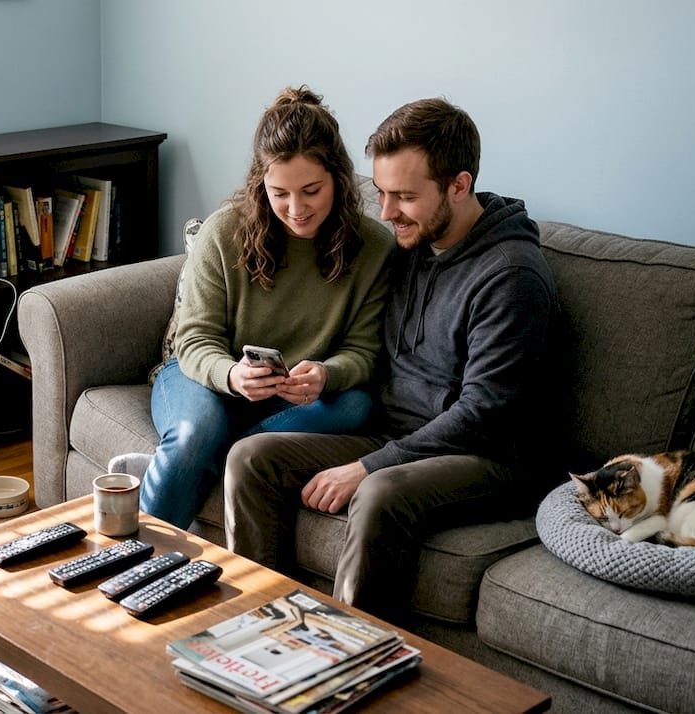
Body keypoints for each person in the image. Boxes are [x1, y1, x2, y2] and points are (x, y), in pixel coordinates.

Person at [224, 97, 556, 623]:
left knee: (378, 491)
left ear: (458, 185)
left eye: (404, 196)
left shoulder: (511, 277)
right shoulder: (412, 246)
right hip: (398, 433)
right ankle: (263, 628)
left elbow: (485, 413)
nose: (385, 213)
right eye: (380, 192)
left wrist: (370, 464)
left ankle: (348, 663)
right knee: (251, 457)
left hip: (488, 455)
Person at [139, 86, 395, 529]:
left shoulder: (373, 247)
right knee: (194, 434)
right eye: (280, 193)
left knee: (356, 406)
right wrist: (232, 375)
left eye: (311, 190)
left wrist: (327, 374)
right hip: (204, 378)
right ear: (262, 183)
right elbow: (195, 339)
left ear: (338, 176)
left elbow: (366, 352)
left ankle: (218, 460)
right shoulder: (223, 232)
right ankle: (133, 559)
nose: (296, 209)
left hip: (296, 400)